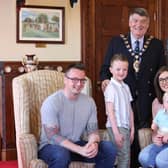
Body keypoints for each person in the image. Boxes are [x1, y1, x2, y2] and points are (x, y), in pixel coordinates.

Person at [100, 7, 165, 167]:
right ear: (129, 23)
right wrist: (105, 81)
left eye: (143, 22)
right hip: (121, 98)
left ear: (148, 24)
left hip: (147, 98)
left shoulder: (156, 44)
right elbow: (105, 68)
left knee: (141, 135)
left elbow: (162, 70)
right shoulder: (117, 41)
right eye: (135, 21)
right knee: (124, 135)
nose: (139, 25)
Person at [38, 63, 117, 168]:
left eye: (82, 80)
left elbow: (92, 130)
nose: (79, 84)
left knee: (109, 148)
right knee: (61, 154)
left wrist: (94, 143)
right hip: (51, 147)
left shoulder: (89, 102)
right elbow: (53, 136)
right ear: (65, 80)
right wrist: (80, 150)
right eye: (74, 79)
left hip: (76, 144)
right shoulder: (52, 102)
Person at [104, 54, 134, 168]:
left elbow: (129, 109)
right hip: (116, 126)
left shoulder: (126, 87)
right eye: (118, 69)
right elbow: (110, 111)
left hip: (126, 126)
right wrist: (116, 133)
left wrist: (132, 129)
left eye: (124, 69)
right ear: (111, 70)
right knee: (124, 156)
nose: (121, 72)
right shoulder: (111, 87)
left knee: (125, 155)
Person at [139, 66, 168, 168]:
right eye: (161, 80)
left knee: (160, 161)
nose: (164, 82)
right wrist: (155, 138)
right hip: (162, 142)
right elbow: (155, 128)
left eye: (167, 78)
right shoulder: (156, 103)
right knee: (143, 157)